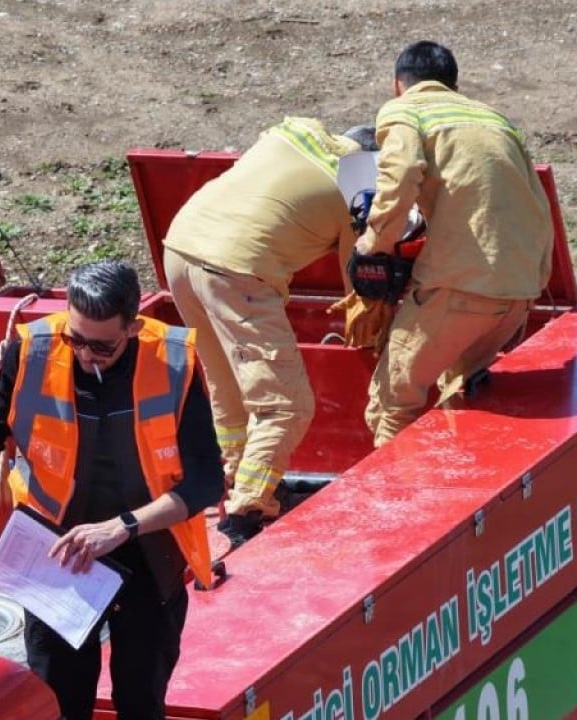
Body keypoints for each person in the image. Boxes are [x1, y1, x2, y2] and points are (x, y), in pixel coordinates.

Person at [0, 260, 223, 720]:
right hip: (56, 560)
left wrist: (122, 528)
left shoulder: (174, 362)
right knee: (58, 703)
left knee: (140, 701)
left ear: (133, 328)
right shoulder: (31, 352)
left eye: (102, 346)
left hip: (148, 553)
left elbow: (206, 481)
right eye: (75, 339)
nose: (85, 355)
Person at [161, 117, 379, 547]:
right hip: (237, 268)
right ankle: (245, 515)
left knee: (228, 387)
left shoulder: (294, 131)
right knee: (285, 406)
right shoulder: (360, 180)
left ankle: (240, 479)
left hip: (181, 249)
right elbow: (360, 282)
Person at [355, 40, 554, 447]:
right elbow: (535, 200)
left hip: (460, 286)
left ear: (398, 84)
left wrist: (372, 247)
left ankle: (400, 503)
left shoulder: (405, 110)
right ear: (453, 84)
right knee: (461, 395)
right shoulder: (496, 119)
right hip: (518, 291)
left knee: (392, 402)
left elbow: (402, 174)